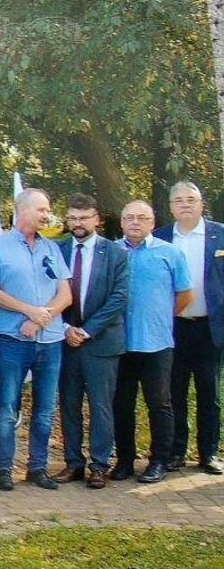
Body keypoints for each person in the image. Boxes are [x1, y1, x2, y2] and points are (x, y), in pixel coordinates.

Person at [0, 188, 72, 492]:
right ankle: (3, 469)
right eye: (41, 209)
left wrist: (42, 317)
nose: (47, 215)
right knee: (7, 407)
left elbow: (66, 294)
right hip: (13, 341)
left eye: (47, 210)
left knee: (44, 409)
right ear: (22, 210)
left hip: (51, 340)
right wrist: (28, 312)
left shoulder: (52, 249)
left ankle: (37, 467)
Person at [111, 201, 192, 484]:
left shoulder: (170, 252)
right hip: (119, 343)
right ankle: (124, 461)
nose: (135, 222)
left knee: (159, 403)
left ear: (152, 222)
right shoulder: (111, 251)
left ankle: (158, 460)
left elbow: (184, 295)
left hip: (157, 343)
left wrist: (159, 316)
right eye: (129, 217)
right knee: (121, 403)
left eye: (142, 217)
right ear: (121, 222)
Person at [53, 194, 128, 490]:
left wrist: (86, 331)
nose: (77, 223)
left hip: (101, 343)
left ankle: (99, 465)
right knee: (69, 404)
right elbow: (46, 292)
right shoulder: (56, 250)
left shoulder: (116, 254)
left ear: (97, 219)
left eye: (83, 218)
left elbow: (119, 298)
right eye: (72, 218)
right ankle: (73, 463)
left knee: (101, 406)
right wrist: (65, 327)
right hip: (64, 340)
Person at [154, 181, 224, 475]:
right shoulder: (160, 237)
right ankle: (176, 452)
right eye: (179, 200)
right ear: (170, 206)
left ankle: (208, 453)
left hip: (210, 328)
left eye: (191, 199)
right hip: (173, 328)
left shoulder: (219, 235)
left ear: (201, 203)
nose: (185, 204)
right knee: (175, 393)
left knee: (210, 393)